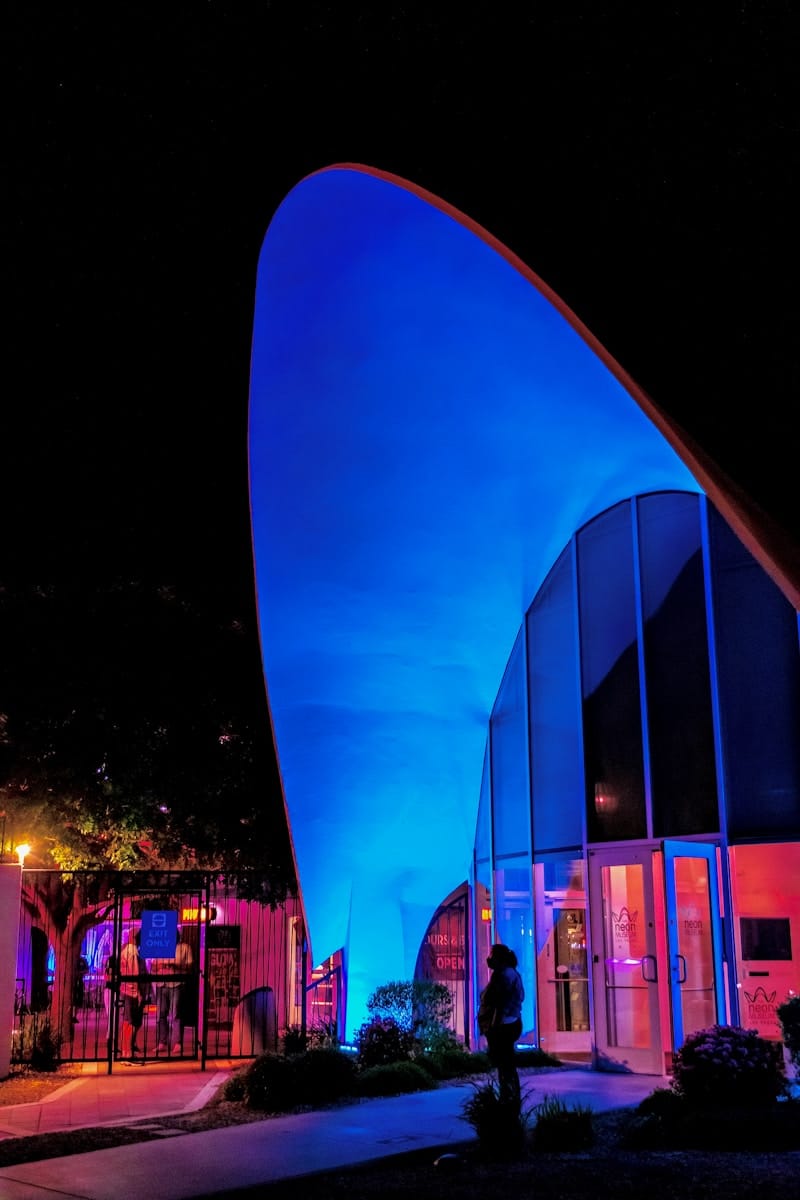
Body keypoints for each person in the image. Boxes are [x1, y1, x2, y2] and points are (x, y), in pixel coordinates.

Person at [477, 942, 525, 1109]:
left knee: (505, 1065)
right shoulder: (512, 974)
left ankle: (509, 1098)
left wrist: (492, 1027)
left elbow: (500, 1004)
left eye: (491, 955)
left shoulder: (502, 976)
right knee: (507, 1064)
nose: (488, 958)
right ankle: (510, 1096)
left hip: (503, 1027)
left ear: (499, 958)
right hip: (510, 1024)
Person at [150, 929, 193, 1055]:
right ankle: (162, 1042)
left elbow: (190, 966)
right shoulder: (161, 947)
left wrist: (175, 965)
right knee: (160, 1015)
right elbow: (153, 966)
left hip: (176, 984)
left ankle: (177, 1043)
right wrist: (160, 966)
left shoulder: (185, 948)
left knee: (175, 1014)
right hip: (161, 984)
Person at [119, 929, 147, 1061]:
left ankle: (125, 1050)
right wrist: (139, 993)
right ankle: (128, 1053)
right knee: (131, 1023)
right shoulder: (133, 952)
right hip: (132, 991)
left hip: (125, 989)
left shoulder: (124, 951)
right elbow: (135, 973)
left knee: (126, 1022)